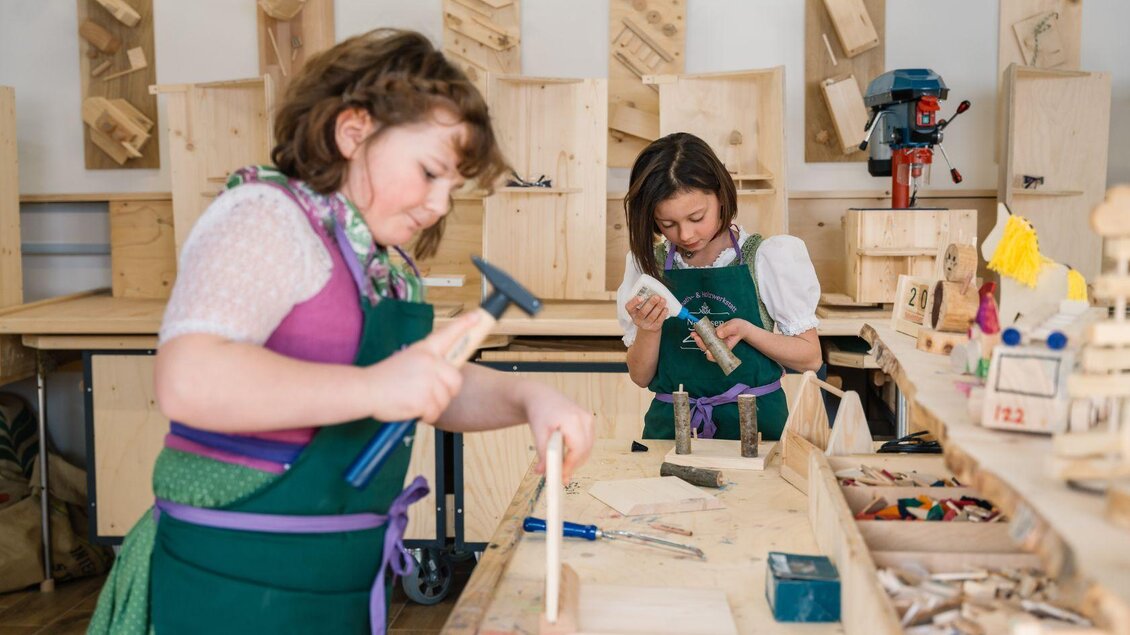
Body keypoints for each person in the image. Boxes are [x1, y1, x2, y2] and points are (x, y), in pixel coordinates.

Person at [89, 29, 594, 635]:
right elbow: (189, 378)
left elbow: (424, 386)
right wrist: (376, 388)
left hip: (339, 585)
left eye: (452, 188)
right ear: (353, 132)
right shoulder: (266, 218)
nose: (438, 206)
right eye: (430, 172)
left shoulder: (383, 261)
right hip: (230, 581)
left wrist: (529, 398)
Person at [617, 132, 821, 442]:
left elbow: (810, 357)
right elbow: (641, 376)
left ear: (722, 194)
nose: (685, 234)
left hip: (758, 429)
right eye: (667, 224)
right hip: (672, 433)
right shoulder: (648, 266)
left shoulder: (766, 257)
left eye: (697, 217)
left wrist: (749, 331)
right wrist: (649, 329)